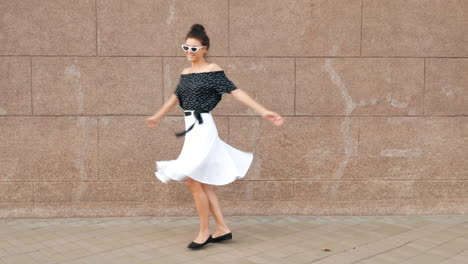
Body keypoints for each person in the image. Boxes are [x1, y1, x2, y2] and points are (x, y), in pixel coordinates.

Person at [144, 24, 284, 249]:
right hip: (191, 127)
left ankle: (204, 232)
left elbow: (236, 92)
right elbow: (175, 97)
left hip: (203, 127)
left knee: (193, 179)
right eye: (185, 48)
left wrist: (263, 111)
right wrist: (157, 116)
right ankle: (222, 228)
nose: (188, 52)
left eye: (193, 48)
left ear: (204, 49)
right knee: (201, 182)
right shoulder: (185, 73)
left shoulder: (212, 70)